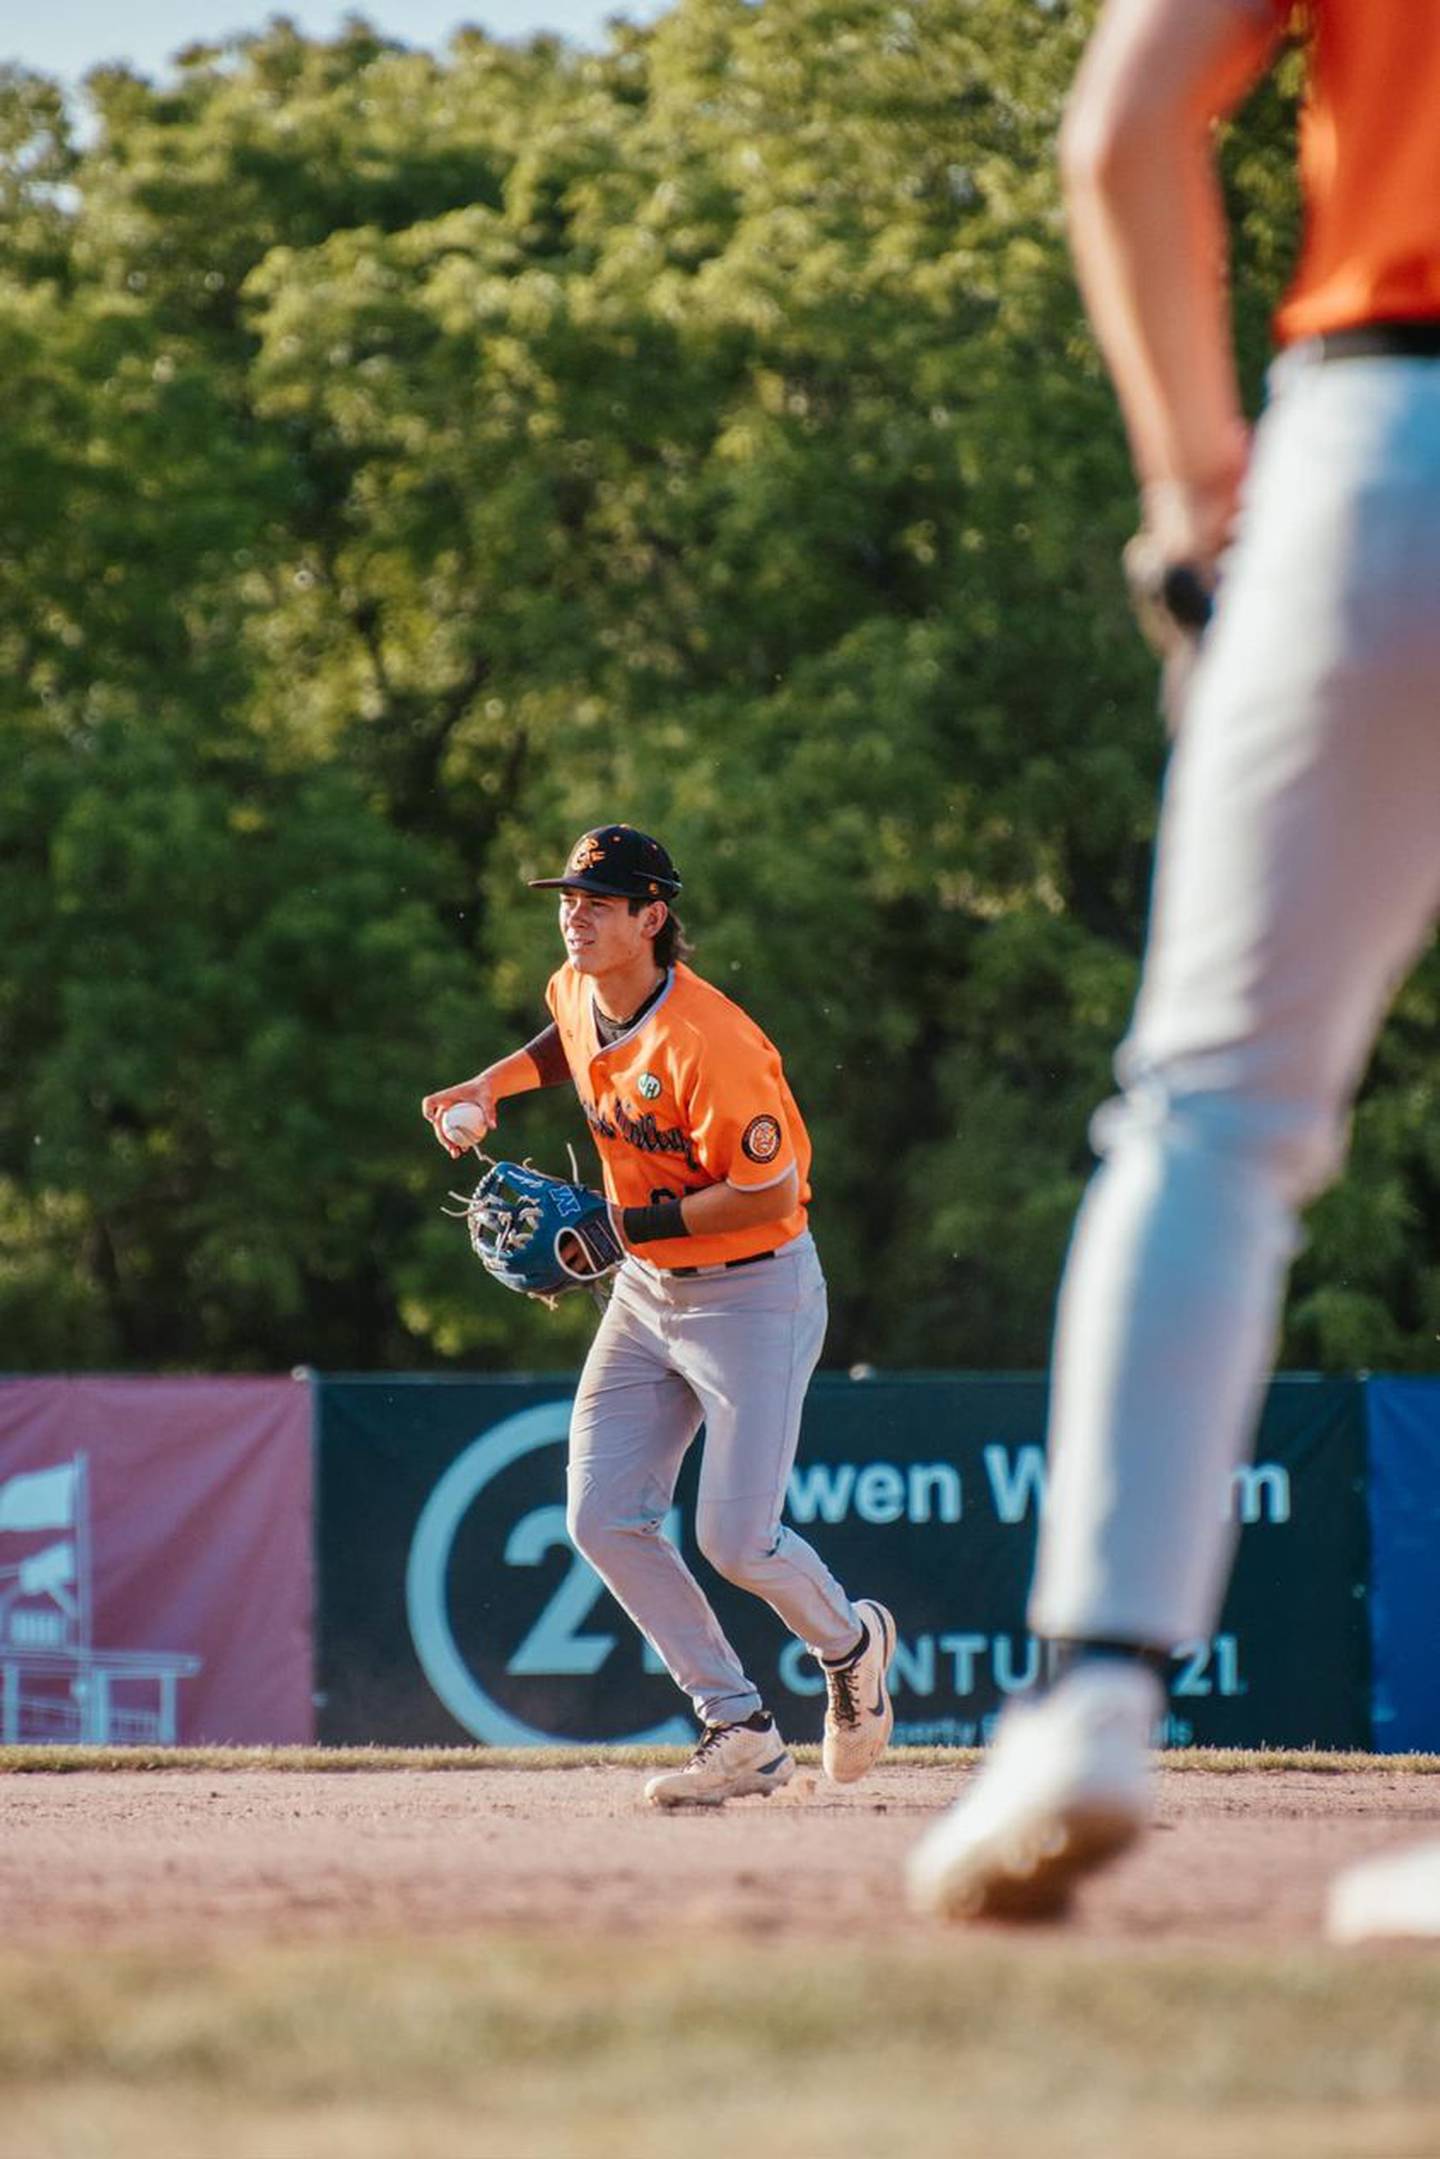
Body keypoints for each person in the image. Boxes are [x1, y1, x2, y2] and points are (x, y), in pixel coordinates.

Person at [908, 0, 1440, 1919]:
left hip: (1387, 426)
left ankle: (1088, 1698)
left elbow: (1120, 131)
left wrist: (1191, 487)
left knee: (1212, 1111)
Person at [424, 822, 896, 1805]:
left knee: (739, 1540)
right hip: (646, 1291)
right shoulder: (579, 985)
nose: (575, 914)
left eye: (600, 901)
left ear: (653, 915)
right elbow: (570, 1040)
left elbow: (769, 1194)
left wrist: (619, 1222)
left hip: (753, 1290)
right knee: (601, 1516)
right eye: (570, 896)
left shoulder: (712, 1042)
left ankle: (851, 1646)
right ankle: (739, 1726)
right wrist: (491, 1083)